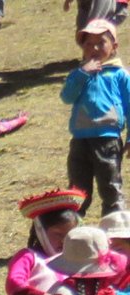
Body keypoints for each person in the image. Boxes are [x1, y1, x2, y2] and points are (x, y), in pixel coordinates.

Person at [64, 17, 130, 216]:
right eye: (88, 44)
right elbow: (67, 97)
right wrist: (82, 74)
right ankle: (73, 226)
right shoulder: (79, 74)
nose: (94, 48)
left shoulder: (119, 74)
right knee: (77, 190)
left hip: (107, 140)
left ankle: (116, 225)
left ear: (114, 46)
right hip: (80, 140)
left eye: (101, 42)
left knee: (110, 186)